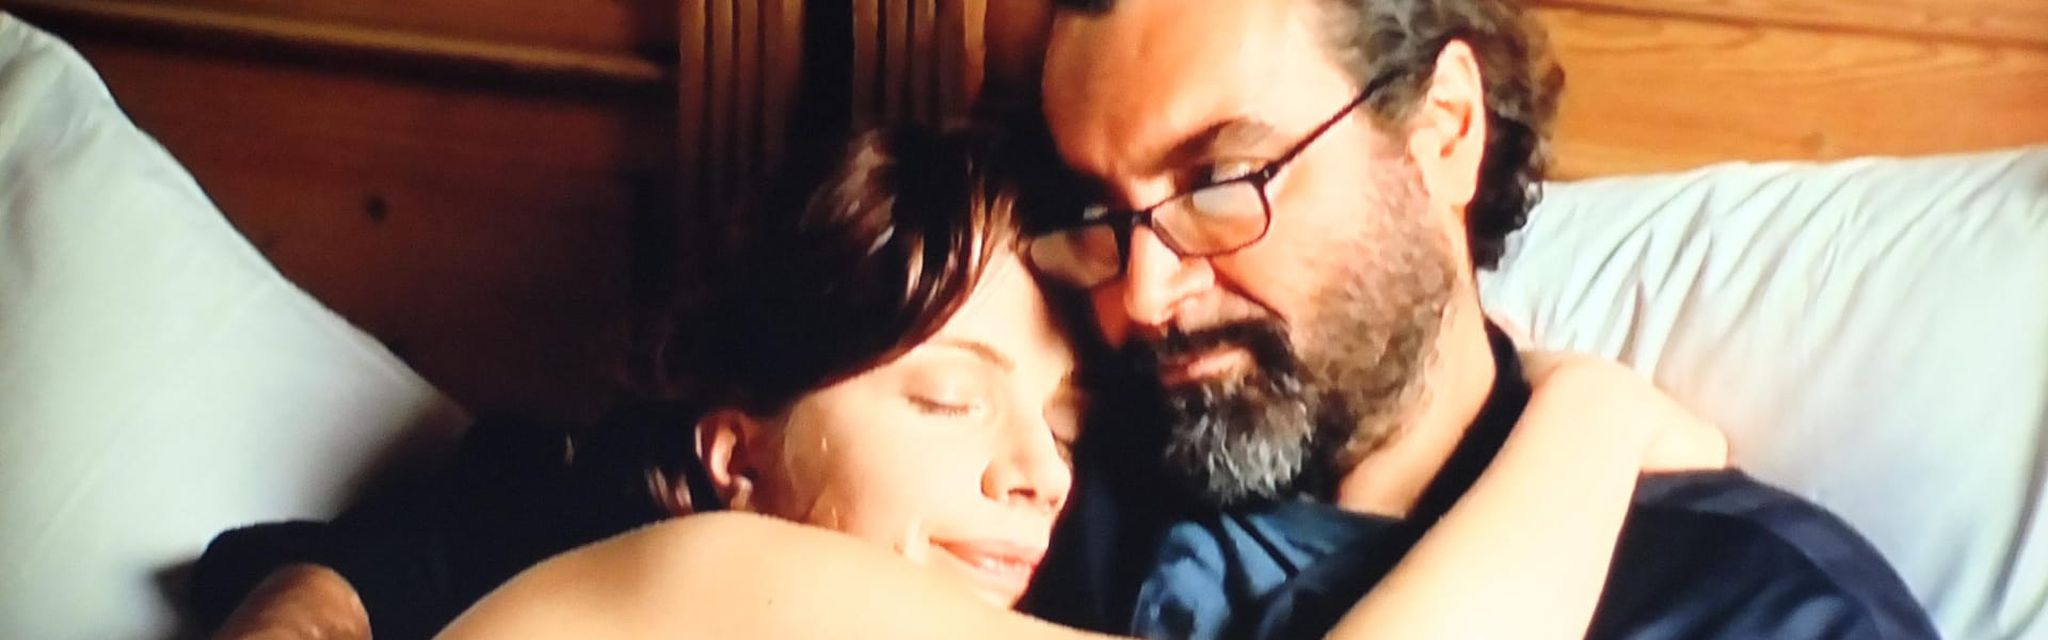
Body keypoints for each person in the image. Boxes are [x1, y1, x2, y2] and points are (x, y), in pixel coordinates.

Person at [196, 124, 1723, 640]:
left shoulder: (1089, 553)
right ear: (735, 451)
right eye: (945, 397)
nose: (1032, 473)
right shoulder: (723, 570)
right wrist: (1589, 412)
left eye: (1064, 425)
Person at [1011, 0, 1940, 638]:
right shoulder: (1033, 513)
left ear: (1446, 128)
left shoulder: (1755, 605)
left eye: (1220, 182)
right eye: (1100, 211)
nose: (1144, 294)